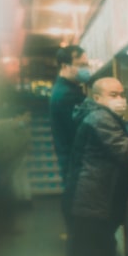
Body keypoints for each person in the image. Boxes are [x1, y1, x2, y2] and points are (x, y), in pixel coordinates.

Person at [59, 77, 128, 256]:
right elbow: (123, 149)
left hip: (90, 197)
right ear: (97, 98)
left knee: (91, 251)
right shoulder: (99, 118)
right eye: (113, 95)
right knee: (91, 254)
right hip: (89, 199)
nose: (121, 99)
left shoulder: (97, 115)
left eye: (122, 94)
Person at [49, 44, 89, 183]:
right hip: (76, 163)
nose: (86, 69)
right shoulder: (66, 95)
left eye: (87, 65)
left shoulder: (66, 89)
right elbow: (80, 131)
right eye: (81, 65)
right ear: (65, 66)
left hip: (73, 162)